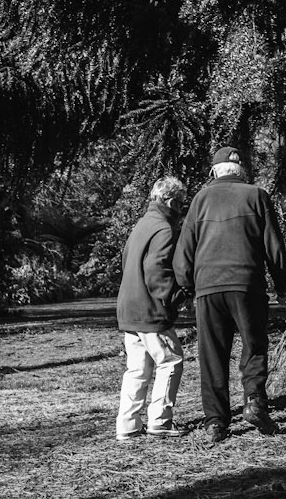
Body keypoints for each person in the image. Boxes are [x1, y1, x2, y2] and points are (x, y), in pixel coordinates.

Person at [173, 145, 286, 440]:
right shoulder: (257, 195)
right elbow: (273, 246)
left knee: (212, 354)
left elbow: (183, 251)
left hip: (208, 288)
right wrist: (282, 284)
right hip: (247, 284)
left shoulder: (200, 200)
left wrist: (186, 286)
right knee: (254, 346)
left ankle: (215, 422)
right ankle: (254, 401)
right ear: (241, 170)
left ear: (215, 171)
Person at [114, 174, 187, 441]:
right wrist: (175, 297)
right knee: (171, 360)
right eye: (180, 204)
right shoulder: (164, 229)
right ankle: (160, 421)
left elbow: (126, 262)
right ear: (169, 201)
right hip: (150, 308)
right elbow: (156, 270)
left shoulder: (142, 224)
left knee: (137, 369)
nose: (181, 210)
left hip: (129, 307)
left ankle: (128, 425)